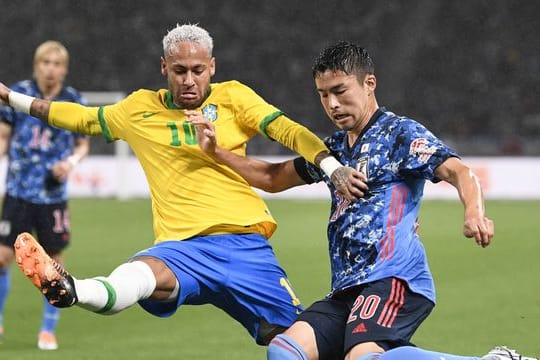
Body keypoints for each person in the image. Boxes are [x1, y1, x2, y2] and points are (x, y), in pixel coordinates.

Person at [0, 24, 365, 349]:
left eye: (197, 70)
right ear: (164, 68)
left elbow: (287, 130)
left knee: (294, 343)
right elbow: (80, 117)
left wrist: (331, 167)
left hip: (246, 247)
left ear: (212, 67)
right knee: (141, 274)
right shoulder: (138, 110)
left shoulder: (234, 98)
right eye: (179, 71)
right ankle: (73, 290)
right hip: (182, 249)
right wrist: (9, 97)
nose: (189, 80)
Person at [186, 42, 536, 360]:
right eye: (323, 95)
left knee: (361, 358)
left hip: (395, 278)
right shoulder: (333, 150)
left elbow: (459, 171)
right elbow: (273, 178)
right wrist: (217, 153)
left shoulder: (399, 133)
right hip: (346, 289)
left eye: (340, 91)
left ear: (369, 83)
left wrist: (474, 213)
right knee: (285, 350)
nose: (333, 104)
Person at [0, 40, 89, 350]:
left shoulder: (73, 100)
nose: (51, 69)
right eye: (46, 63)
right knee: (2, 258)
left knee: (52, 264)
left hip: (52, 197)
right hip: (18, 192)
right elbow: (3, 138)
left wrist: (71, 162)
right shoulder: (18, 94)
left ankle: (48, 330)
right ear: (37, 65)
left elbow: (83, 144)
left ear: (64, 69)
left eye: (57, 64)